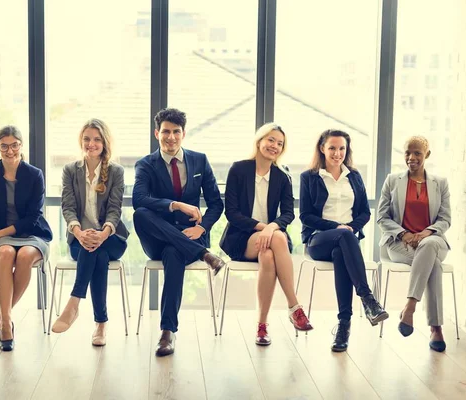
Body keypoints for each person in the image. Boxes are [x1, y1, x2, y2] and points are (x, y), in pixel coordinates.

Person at [132, 108, 225, 357]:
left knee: (175, 253)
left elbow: (217, 204)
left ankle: (166, 332)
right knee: (140, 213)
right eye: (165, 132)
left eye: (175, 132)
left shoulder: (200, 161)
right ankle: (205, 254)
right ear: (156, 133)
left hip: (191, 233)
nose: (170, 137)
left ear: (184, 133)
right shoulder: (146, 164)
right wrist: (175, 205)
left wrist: (202, 227)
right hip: (157, 238)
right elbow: (138, 198)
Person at [220, 123, 313, 346]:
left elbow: (289, 214)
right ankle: (294, 307)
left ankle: (262, 327)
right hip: (242, 237)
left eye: (280, 143)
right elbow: (231, 213)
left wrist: (272, 227)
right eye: (270, 140)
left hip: (272, 242)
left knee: (269, 256)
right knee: (278, 238)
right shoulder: (239, 169)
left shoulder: (283, 176)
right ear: (259, 141)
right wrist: (266, 228)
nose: (274, 146)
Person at [299, 129, 388, 352]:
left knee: (342, 252)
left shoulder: (354, 176)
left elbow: (364, 213)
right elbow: (306, 215)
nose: (337, 153)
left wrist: (349, 228)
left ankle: (343, 326)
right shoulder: (309, 177)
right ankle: (368, 299)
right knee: (345, 237)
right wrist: (338, 228)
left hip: (345, 242)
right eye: (332, 148)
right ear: (322, 148)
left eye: (341, 149)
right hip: (318, 240)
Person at [0, 126, 52, 351]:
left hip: (32, 233)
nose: (10, 151)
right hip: (1, 236)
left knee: (25, 255)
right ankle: (7, 324)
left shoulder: (34, 174)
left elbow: (32, 218)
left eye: (14, 145)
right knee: (6, 253)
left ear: (21, 145)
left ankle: (0, 320)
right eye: (4, 146)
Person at [51, 119, 129, 346]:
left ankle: (74, 303)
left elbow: (115, 209)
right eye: (87, 139)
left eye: (96, 139)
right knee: (97, 255)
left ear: (104, 143)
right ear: (81, 141)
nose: (91, 144)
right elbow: (68, 207)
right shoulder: (70, 170)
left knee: (100, 249)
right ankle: (101, 324)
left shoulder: (116, 171)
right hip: (80, 239)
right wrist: (79, 232)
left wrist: (103, 234)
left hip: (111, 238)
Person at [377, 136, 451, 352]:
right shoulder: (392, 180)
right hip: (401, 244)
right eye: (408, 152)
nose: (411, 157)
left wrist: (427, 232)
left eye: (417, 153)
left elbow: (445, 219)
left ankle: (410, 306)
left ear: (426, 155)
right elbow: (382, 217)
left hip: (433, 240)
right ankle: (436, 328)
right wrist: (403, 234)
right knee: (433, 265)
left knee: (429, 248)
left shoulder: (441, 183)